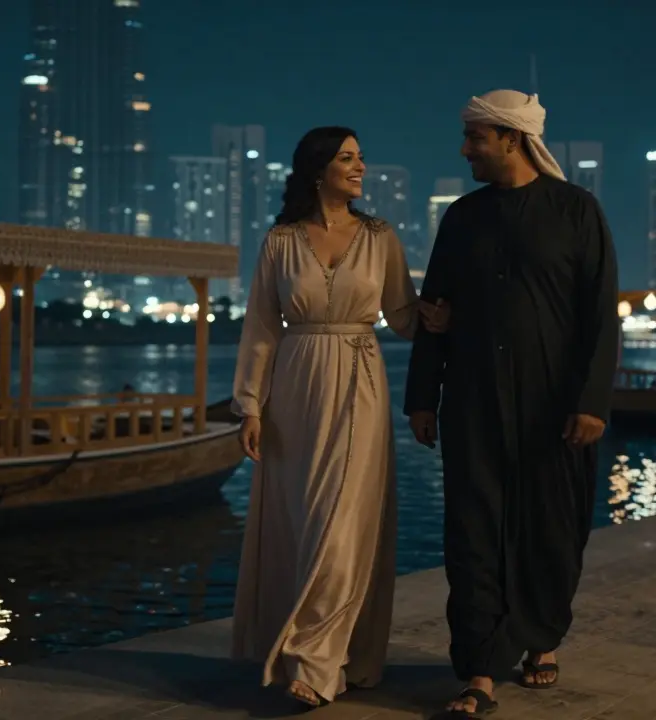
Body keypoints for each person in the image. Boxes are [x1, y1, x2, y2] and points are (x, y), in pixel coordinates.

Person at [405, 90, 619, 716]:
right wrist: (423, 396)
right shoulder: (463, 218)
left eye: (475, 137)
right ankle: (479, 671)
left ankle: (541, 638)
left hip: (555, 408)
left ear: (511, 139)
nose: (465, 148)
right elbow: (432, 309)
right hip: (472, 402)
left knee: (552, 530)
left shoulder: (577, 212)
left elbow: (599, 317)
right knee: (471, 533)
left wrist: (592, 402)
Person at [229, 126, 450, 708]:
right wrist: (250, 405)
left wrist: (442, 317)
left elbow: (402, 315)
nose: (360, 167)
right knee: (301, 519)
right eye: (347, 158)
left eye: (360, 157)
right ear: (317, 170)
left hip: (358, 379)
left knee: (342, 519)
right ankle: (321, 651)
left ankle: (317, 661)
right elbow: (258, 328)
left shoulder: (380, 237)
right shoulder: (279, 241)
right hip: (293, 388)